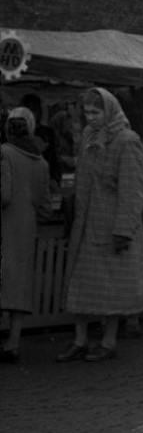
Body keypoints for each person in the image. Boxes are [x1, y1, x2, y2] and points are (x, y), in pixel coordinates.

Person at [58, 88, 143, 362]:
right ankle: (80, 340)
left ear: (109, 110)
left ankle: (109, 341)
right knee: (79, 284)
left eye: (96, 112)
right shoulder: (88, 136)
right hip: (86, 225)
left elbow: (133, 190)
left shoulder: (127, 141)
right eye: (87, 112)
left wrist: (123, 229)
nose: (91, 118)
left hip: (112, 228)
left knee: (111, 288)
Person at [1, 107, 50, 362]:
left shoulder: (4, 153)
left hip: (5, 225)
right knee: (19, 284)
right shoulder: (41, 162)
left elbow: (4, 195)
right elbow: (44, 205)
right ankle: (13, 342)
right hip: (26, 227)